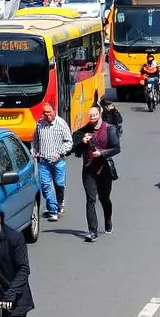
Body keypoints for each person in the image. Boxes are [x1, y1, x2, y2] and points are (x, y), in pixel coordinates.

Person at [73, 106, 121, 242]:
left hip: (104, 169)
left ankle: (108, 219)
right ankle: (92, 231)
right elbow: (75, 151)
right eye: (90, 116)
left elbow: (117, 148)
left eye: (94, 115)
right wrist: (82, 142)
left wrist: (102, 153)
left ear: (99, 114)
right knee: (90, 199)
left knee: (104, 198)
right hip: (88, 169)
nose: (92, 118)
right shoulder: (85, 130)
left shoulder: (109, 129)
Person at [31, 103, 73, 221]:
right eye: (45, 113)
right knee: (46, 186)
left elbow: (69, 142)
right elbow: (35, 141)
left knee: (59, 184)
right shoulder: (39, 124)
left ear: (54, 111)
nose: (47, 115)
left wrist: (59, 153)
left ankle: (60, 201)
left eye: (49, 113)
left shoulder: (61, 124)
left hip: (58, 161)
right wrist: (34, 152)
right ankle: (53, 210)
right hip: (43, 161)